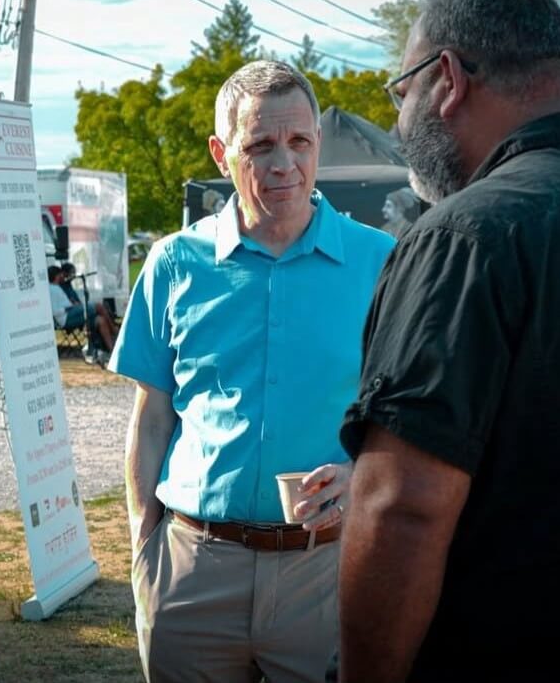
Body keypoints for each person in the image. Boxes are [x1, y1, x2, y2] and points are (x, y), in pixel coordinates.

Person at [338, 0, 560, 682]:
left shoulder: (463, 236)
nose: (402, 122)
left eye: (402, 93)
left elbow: (403, 506)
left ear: (448, 80)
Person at [110, 60, 395, 683]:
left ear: (317, 143)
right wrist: (143, 549)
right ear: (221, 153)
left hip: (327, 570)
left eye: (299, 143)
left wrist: (359, 474)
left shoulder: (382, 263)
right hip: (192, 570)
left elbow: (403, 416)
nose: (283, 164)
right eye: (260, 145)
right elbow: (152, 418)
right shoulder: (174, 263)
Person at [48, 265, 118, 356]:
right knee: (98, 306)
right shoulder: (51, 289)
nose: (63, 277)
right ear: (57, 275)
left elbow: (66, 303)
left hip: (71, 312)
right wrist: (71, 306)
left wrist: (73, 305)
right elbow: (56, 311)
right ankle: (114, 330)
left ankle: (112, 351)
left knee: (100, 320)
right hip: (65, 318)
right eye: (61, 275)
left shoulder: (58, 287)